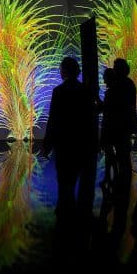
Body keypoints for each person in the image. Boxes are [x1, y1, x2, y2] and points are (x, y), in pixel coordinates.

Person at [42, 57, 98, 216]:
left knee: (64, 180)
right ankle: (78, 216)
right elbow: (90, 119)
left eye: (61, 68)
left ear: (65, 71)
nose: (60, 71)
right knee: (80, 179)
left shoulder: (58, 91)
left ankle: (64, 213)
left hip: (63, 144)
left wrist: (47, 144)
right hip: (81, 142)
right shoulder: (85, 90)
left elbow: (53, 119)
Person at [100, 67, 118, 190]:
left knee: (109, 152)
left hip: (108, 126)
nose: (103, 79)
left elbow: (105, 108)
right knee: (109, 152)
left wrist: (97, 99)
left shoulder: (110, 93)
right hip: (112, 126)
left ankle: (113, 175)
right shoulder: (115, 92)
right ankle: (111, 175)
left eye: (105, 77)